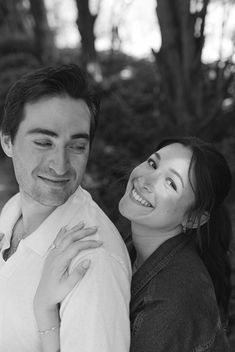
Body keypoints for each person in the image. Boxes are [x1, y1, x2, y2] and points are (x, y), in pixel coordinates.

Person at [35, 136, 232, 352]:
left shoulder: (172, 299)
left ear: (194, 219)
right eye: (152, 163)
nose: (146, 180)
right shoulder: (128, 249)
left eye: (171, 183)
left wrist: (45, 309)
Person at [0, 64, 132, 352]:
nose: (60, 166)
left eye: (76, 146)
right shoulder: (11, 211)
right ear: (7, 141)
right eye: (44, 142)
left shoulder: (92, 260)